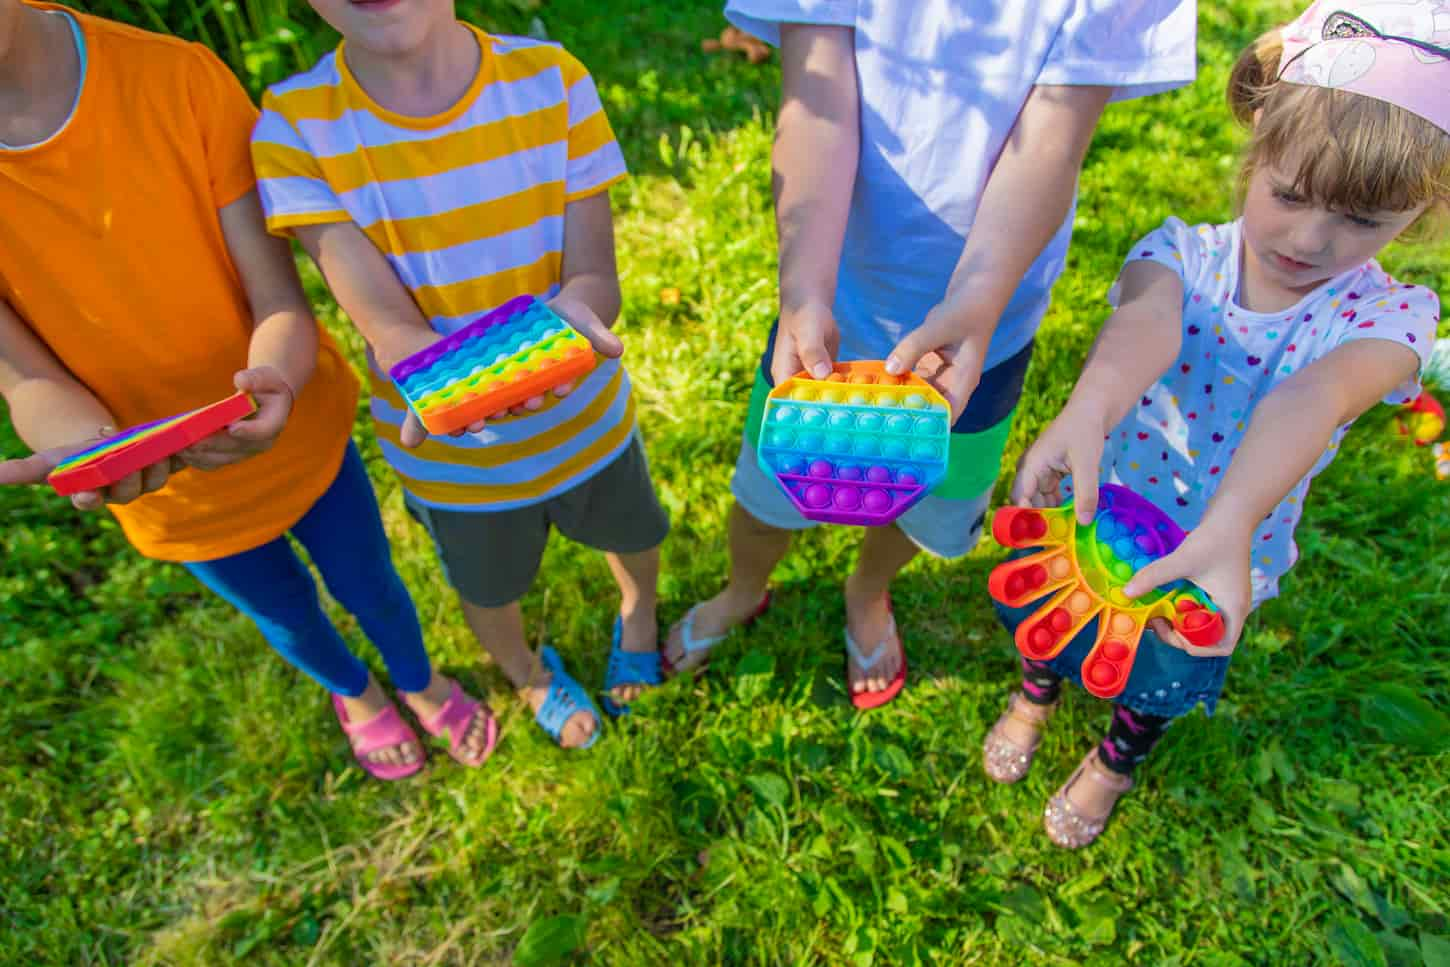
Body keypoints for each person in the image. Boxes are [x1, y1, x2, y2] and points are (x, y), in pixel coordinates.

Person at [988, 0, 1450, 847]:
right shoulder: (1183, 254)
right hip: (1106, 507)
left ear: (1421, 214)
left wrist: (1230, 524)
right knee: (1056, 619)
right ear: (1258, 134)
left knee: (1158, 671)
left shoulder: (1394, 319)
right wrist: (1091, 403)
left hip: (1226, 553)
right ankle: (1033, 695)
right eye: (1291, 194)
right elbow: (1146, 324)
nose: (1310, 238)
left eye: (1362, 219)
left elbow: (1310, 398)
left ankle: (1113, 762)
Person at [0, 0, 496, 780]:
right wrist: (80, 445)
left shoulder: (177, 78)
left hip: (296, 426)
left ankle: (419, 677)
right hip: (170, 496)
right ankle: (358, 694)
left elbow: (279, 302)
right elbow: (25, 378)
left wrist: (276, 380)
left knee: (369, 577)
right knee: (286, 613)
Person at [663, 0, 1197, 708]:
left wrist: (975, 308)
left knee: (926, 503)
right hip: (830, 303)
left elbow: (1048, 146)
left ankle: (868, 590)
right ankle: (743, 587)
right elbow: (815, 105)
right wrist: (805, 287)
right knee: (769, 494)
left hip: (985, 330)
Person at [251, 0, 669, 744]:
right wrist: (444, 381)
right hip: (454, 458)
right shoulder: (293, 129)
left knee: (632, 530)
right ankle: (525, 669)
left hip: (587, 421)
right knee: (488, 584)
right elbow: (386, 322)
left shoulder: (553, 80)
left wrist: (573, 320)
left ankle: (639, 613)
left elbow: (594, 277)